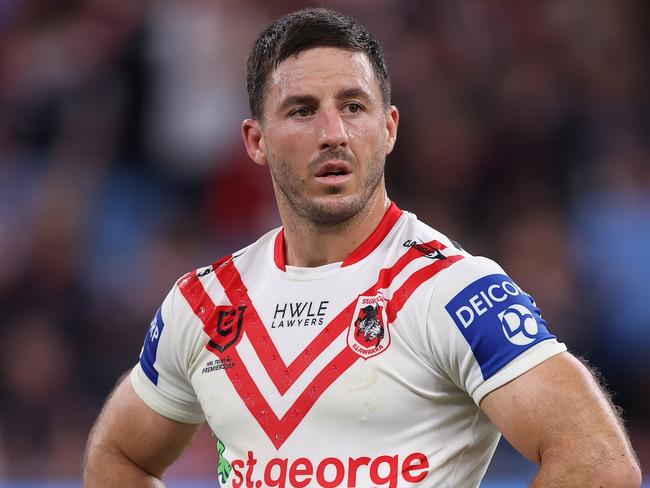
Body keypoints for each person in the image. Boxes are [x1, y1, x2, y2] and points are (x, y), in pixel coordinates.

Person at [83, 8, 642, 488]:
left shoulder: (452, 291)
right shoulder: (205, 305)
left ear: (389, 127)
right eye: (303, 110)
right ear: (256, 140)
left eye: (353, 106)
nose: (334, 132)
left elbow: (598, 464)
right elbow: (120, 456)